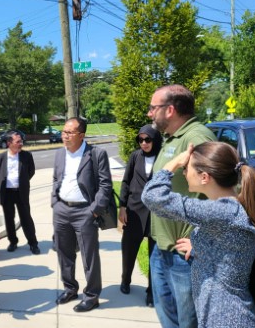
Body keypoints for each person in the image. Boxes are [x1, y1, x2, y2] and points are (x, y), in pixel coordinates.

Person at [142, 142, 255, 327]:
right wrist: (200, 248)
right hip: (224, 314)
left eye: (186, 168)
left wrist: (174, 163)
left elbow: (153, 197)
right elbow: (230, 254)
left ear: (204, 177)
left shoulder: (222, 212)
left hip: (226, 319)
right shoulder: (230, 210)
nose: (184, 172)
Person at [147, 84, 216, 328]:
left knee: (188, 321)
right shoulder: (172, 139)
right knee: (167, 314)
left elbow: (221, 194)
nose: (149, 113)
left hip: (185, 254)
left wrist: (201, 239)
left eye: (153, 107)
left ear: (170, 110)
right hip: (162, 246)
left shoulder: (196, 138)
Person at [52, 117, 113, 312]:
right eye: (63, 132)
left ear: (81, 135)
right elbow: (56, 178)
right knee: (64, 253)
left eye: (69, 133)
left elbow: (105, 185)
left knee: (89, 256)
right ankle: (70, 288)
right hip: (62, 210)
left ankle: (92, 295)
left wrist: (94, 211)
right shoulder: (60, 154)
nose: (65, 136)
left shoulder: (96, 154)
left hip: (84, 212)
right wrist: (55, 202)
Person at [118, 124, 162, 307]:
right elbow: (126, 181)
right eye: (140, 139)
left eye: (147, 139)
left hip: (155, 214)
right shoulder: (136, 156)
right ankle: (125, 279)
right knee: (128, 249)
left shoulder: (162, 156)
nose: (143, 143)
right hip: (134, 211)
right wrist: (122, 207)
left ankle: (152, 291)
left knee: (154, 255)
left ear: (155, 140)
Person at [0, 130, 40, 254]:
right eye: (18, 141)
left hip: (21, 192)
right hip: (7, 193)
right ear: (9, 142)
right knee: (9, 219)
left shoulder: (26, 156)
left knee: (26, 218)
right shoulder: (1, 157)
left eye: (21, 141)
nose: (21, 143)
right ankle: (13, 241)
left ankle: (33, 243)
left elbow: (31, 172)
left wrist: (23, 182)